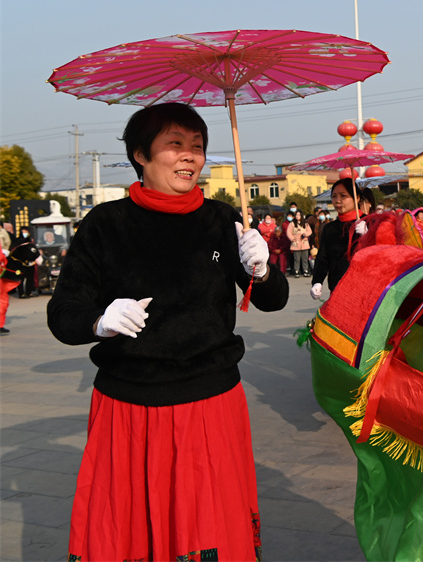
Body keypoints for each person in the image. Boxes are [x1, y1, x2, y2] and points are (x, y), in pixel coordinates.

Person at [46, 102, 289, 561]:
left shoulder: (221, 221)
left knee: (208, 525)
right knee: (131, 523)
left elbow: (273, 298)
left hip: (210, 398)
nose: (189, 157)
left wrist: (263, 267)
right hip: (129, 404)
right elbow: (63, 313)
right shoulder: (106, 224)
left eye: (197, 147)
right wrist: (99, 321)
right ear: (140, 154)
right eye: (175, 144)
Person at [310, 178, 363, 299]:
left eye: (343, 196)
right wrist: (317, 281)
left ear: (357, 198)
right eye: (334, 196)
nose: (337, 201)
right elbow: (323, 257)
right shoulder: (330, 228)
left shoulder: (369, 223)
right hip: (337, 288)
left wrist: (368, 236)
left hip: (363, 288)